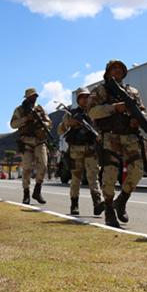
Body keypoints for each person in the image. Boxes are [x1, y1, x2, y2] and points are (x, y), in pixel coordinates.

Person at [89, 60, 147, 228]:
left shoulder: (132, 91)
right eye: (113, 69)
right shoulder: (100, 91)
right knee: (110, 173)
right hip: (110, 136)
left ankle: (121, 201)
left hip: (130, 136)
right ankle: (109, 209)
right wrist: (115, 108)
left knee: (137, 170)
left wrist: (138, 119)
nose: (116, 71)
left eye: (120, 69)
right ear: (107, 72)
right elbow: (92, 111)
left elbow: (143, 110)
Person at [57, 88, 105, 216]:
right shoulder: (70, 113)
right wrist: (69, 123)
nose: (85, 99)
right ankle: (74, 205)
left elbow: (102, 127)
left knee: (93, 178)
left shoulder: (95, 112)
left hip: (91, 149)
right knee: (76, 179)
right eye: (82, 97)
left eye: (87, 96)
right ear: (78, 100)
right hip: (76, 150)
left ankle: (97, 203)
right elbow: (60, 130)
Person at [10, 88, 53, 205]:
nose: (34, 98)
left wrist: (42, 123)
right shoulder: (19, 110)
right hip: (26, 142)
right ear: (27, 98)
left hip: (40, 141)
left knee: (43, 166)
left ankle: (37, 191)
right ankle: (26, 194)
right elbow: (13, 124)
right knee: (27, 169)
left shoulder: (40, 109)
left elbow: (49, 123)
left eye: (35, 96)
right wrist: (26, 119)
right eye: (32, 96)